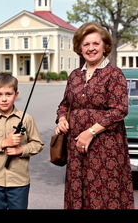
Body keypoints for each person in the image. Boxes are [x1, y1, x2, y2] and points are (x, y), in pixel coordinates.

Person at [55, 22, 134, 209]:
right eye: (86, 44)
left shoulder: (114, 74)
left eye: (95, 44)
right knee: (77, 192)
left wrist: (90, 132)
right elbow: (64, 104)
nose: (91, 48)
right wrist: (62, 118)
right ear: (80, 48)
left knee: (103, 194)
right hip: (76, 147)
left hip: (105, 148)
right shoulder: (74, 75)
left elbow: (119, 109)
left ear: (104, 46)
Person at [0, 73, 44, 209]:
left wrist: (21, 150)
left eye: (8, 94)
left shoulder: (26, 119)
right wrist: (4, 143)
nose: (4, 99)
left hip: (19, 182)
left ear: (16, 94)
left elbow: (38, 144)